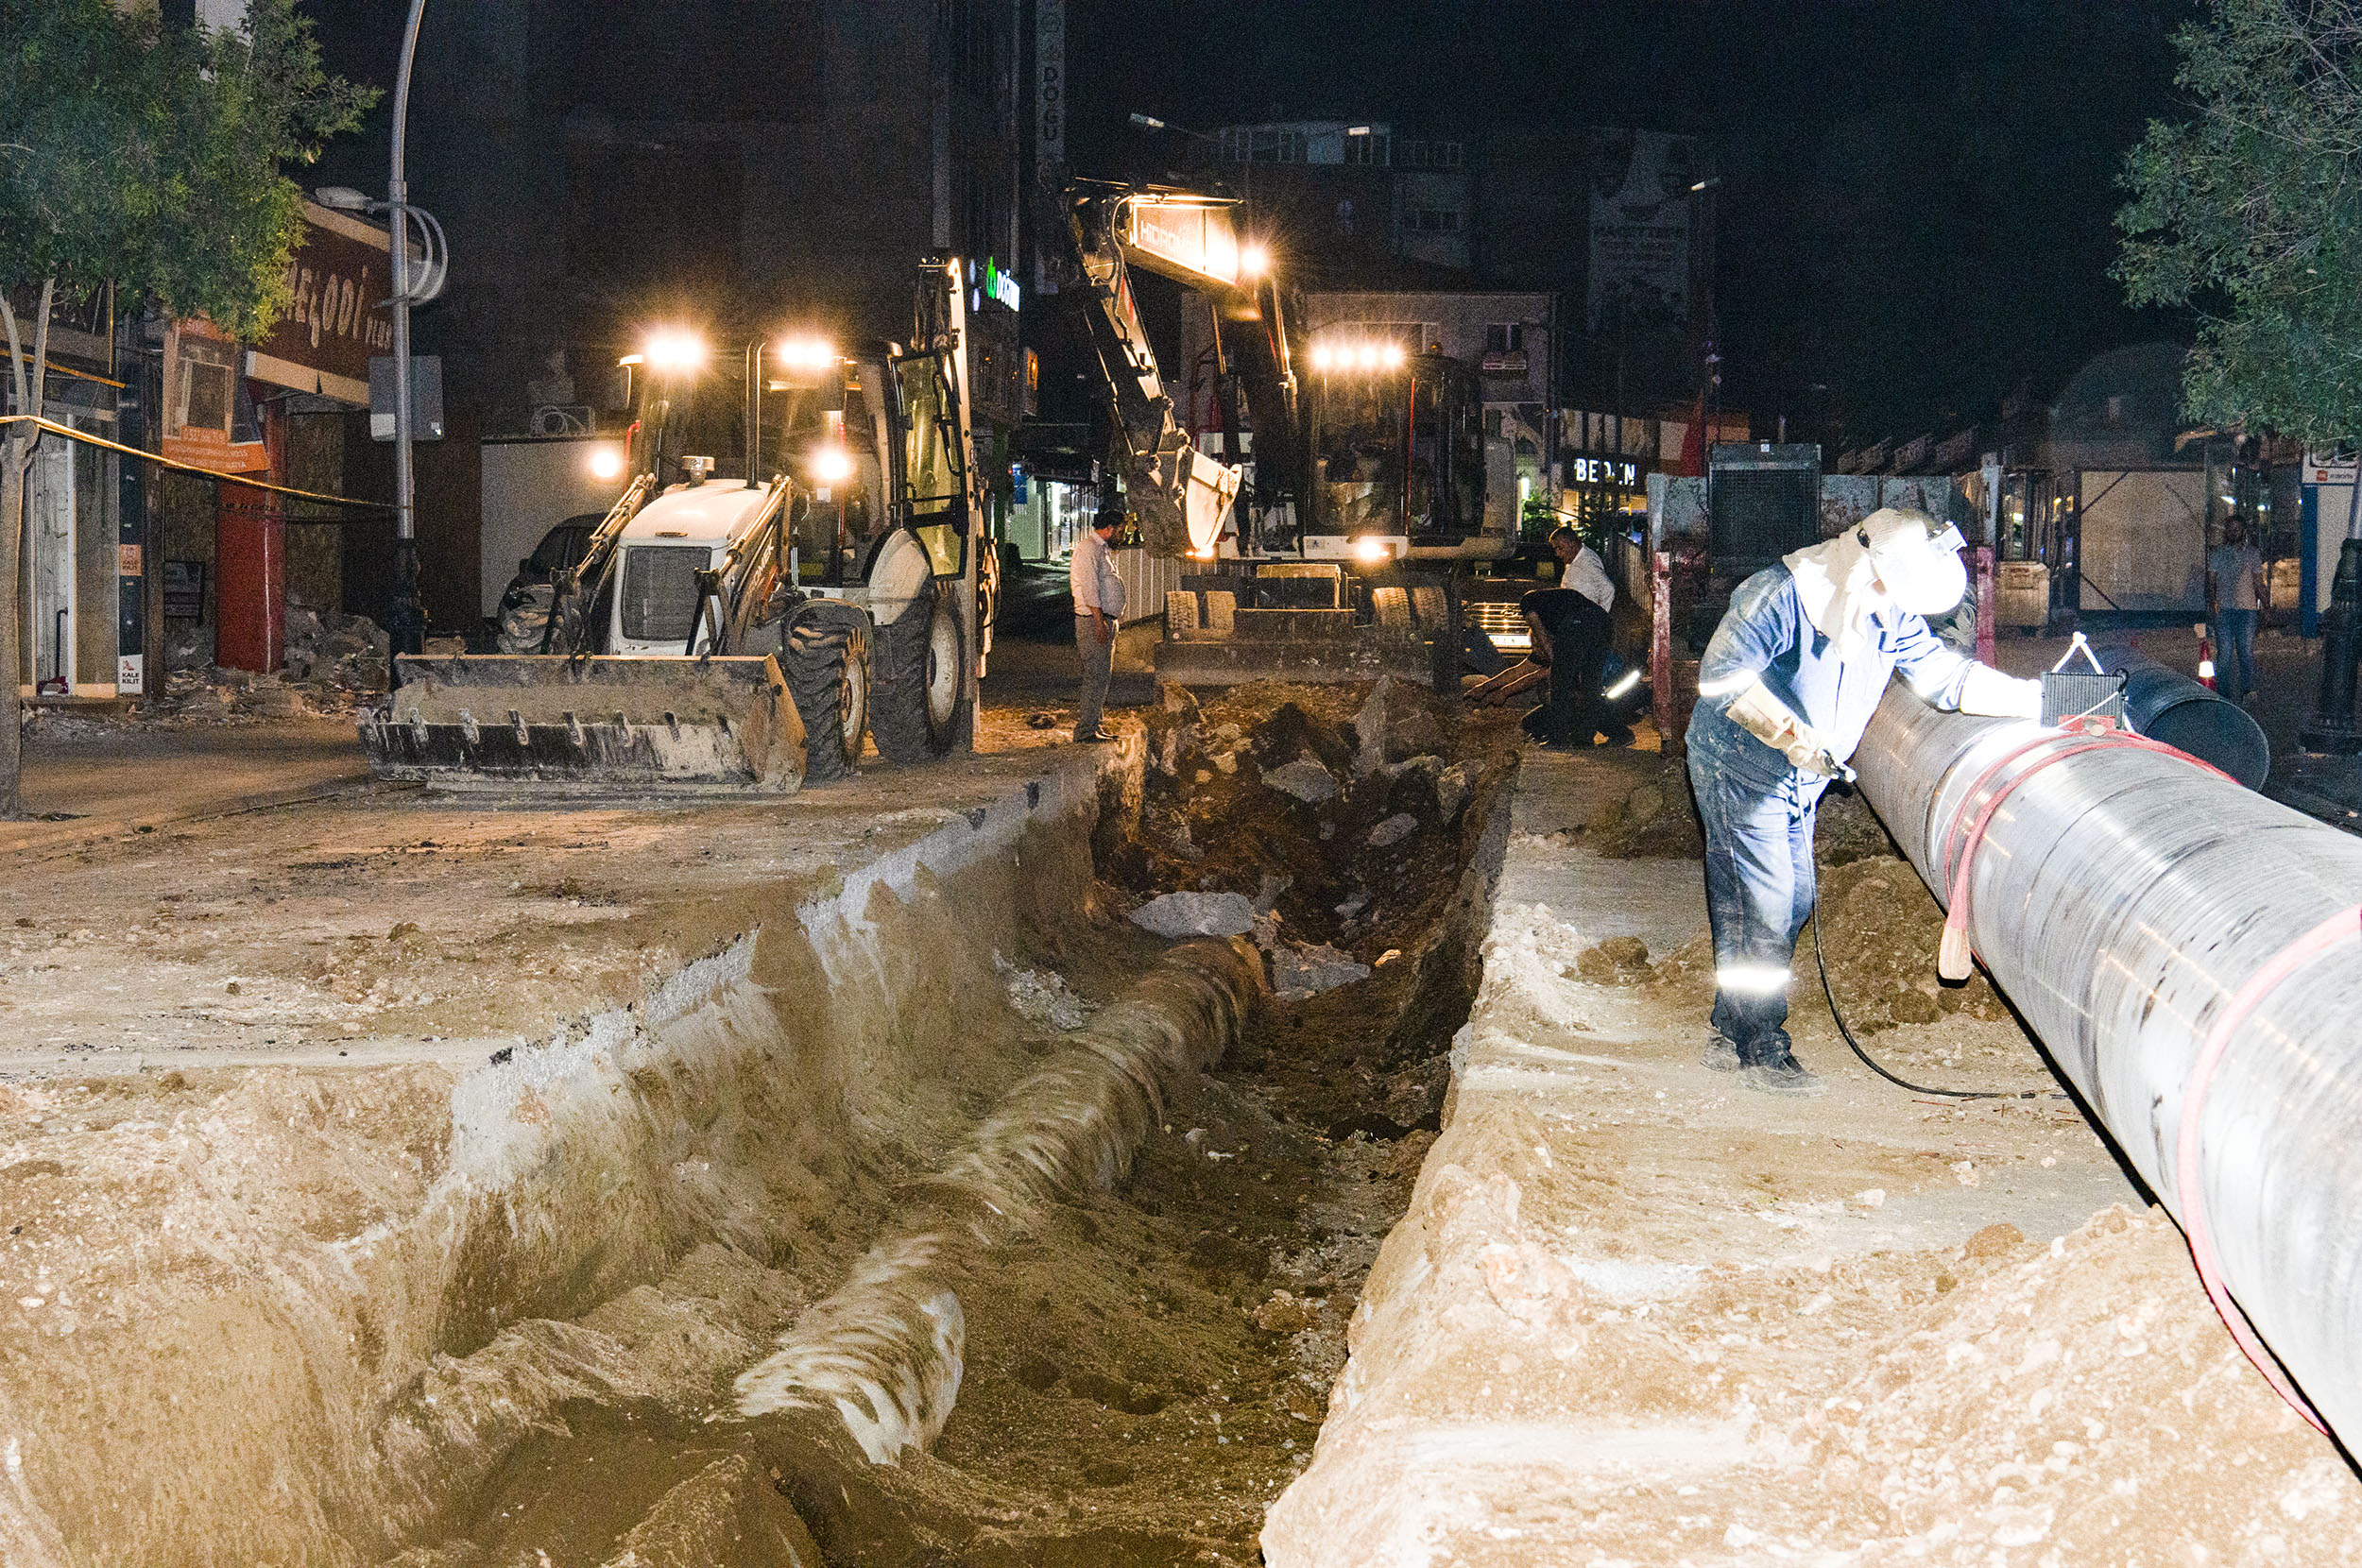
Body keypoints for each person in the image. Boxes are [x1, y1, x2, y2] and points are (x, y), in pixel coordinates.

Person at [1687, 508, 2043, 1095]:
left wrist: (2035, 699)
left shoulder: (1890, 607)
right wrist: (1797, 740)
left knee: (1773, 898)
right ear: (1867, 564)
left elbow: (1943, 678)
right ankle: (1762, 1048)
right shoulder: (1780, 596)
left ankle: (1729, 1029)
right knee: (1773, 902)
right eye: (1888, 592)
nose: (1892, 608)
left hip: (1797, 776)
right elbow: (1721, 678)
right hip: (1739, 767)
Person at [1519, 584, 1630, 747]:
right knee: (1591, 686)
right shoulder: (1558, 604)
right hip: (1603, 624)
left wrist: (1555, 663)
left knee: (1560, 686)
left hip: (1579, 623)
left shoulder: (1528, 603)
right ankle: (1584, 740)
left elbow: (1541, 636)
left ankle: (1558, 739)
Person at [1070, 512, 1125, 742]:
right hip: (1094, 621)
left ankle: (1094, 725)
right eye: (1121, 531)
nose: (1122, 535)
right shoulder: (1089, 549)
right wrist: (1098, 620)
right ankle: (1086, 731)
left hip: (1103, 620)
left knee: (1101, 676)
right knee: (1095, 676)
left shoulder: (1101, 549)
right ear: (1110, 528)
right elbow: (1089, 587)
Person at [2207, 521, 2263, 706]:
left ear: (2243, 531)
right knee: (2224, 654)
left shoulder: (2252, 553)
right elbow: (2211, 582)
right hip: (2224, 609)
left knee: (2246, 652)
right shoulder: (2218, 554)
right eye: (2230, 529)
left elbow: (2258, 582)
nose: (2233, 532)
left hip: (2247, 610)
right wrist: (2212, 603)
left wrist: (2267, 607)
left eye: (2237, 529)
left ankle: (2248, 689)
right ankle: (2224, 694)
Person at [1549, 522, 1616, 613]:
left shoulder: (1587, 561)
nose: (1557, 554)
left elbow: (1608, 587)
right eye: (1555, 549)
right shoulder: (1574, 557)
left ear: (1572, 544)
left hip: (1581, 616)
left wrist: (1599, 617)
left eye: (1560, 548)